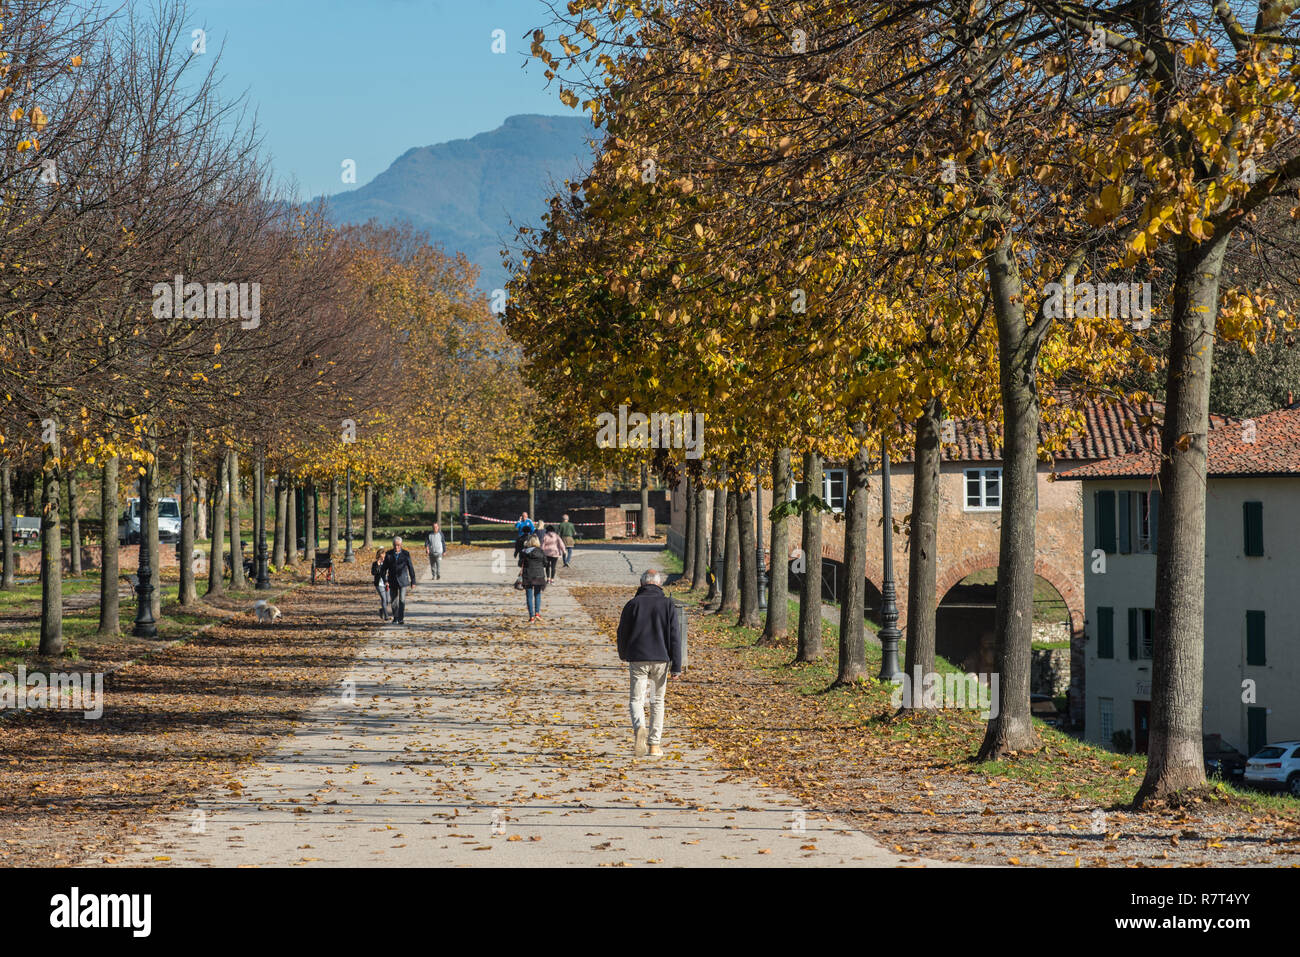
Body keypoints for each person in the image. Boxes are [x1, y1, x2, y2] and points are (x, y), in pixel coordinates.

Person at [616, 569, 683, 758]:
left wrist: (623, 654)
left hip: (638, 659)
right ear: (659, 584)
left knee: (636, 699)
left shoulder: (633, 604)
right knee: (656, 700)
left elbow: (622, 633)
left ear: (642, 583)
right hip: (660, 660)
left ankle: (639, 727)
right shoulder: (667, 604)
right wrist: (676, 667)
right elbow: (675, 636)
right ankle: (654, 745)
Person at [381, 536, 417, 624]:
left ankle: (401, 618)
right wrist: (385, 580)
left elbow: (410, 567)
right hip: (392, 580)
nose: (397, 547)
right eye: (395, 545)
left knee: (402, 600)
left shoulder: (406, 554)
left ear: (401, 545)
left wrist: (413, 581)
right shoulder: (388, 554)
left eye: (398, 545)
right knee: (394, 600)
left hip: (403, 580)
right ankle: (395, 617)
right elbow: (383, 569)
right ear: (393, 545)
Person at [517, 534, 547, 622]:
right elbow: (545, 563)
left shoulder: (524, 552)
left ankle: (531, 617)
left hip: (528, 576)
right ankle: (537, 613)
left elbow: (520, 564)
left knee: (529, 596)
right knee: (537, 594)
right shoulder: (541, 551)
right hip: (539, 575)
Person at [370, 548, 390, 621]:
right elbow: (373, 573)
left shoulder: (388, 563)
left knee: (388, 600)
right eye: (381, 557)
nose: (383, 559)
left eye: (384, 557)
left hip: (387, 583)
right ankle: (386, 616)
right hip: (379, 584)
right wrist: (378, 565)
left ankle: (382, 610)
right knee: (384, 599)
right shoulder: (375, 564)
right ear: (378, 557)